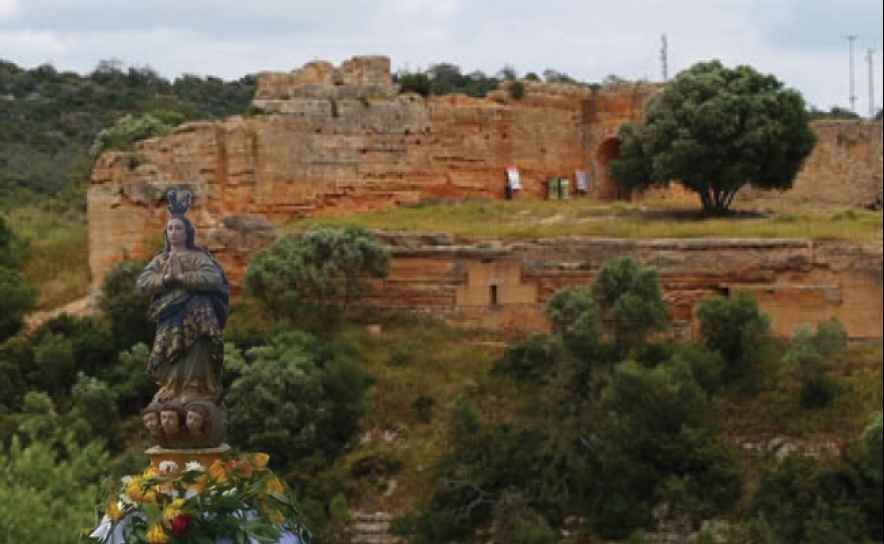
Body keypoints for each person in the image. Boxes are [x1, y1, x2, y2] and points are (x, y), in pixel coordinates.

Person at [136, 187, 229, 407]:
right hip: (169, 313)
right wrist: (167, 279)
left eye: (178, 228)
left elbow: (214, 278)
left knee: (195, 349)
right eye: (170, 228)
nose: (174, 232)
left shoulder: (198, 257)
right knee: (170, 348)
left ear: (187, 232)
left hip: (197, 311)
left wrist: (183, 277)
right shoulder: (160, 259)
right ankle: (172, 387)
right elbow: (142, 283)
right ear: (166, 233)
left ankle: (194, 388)